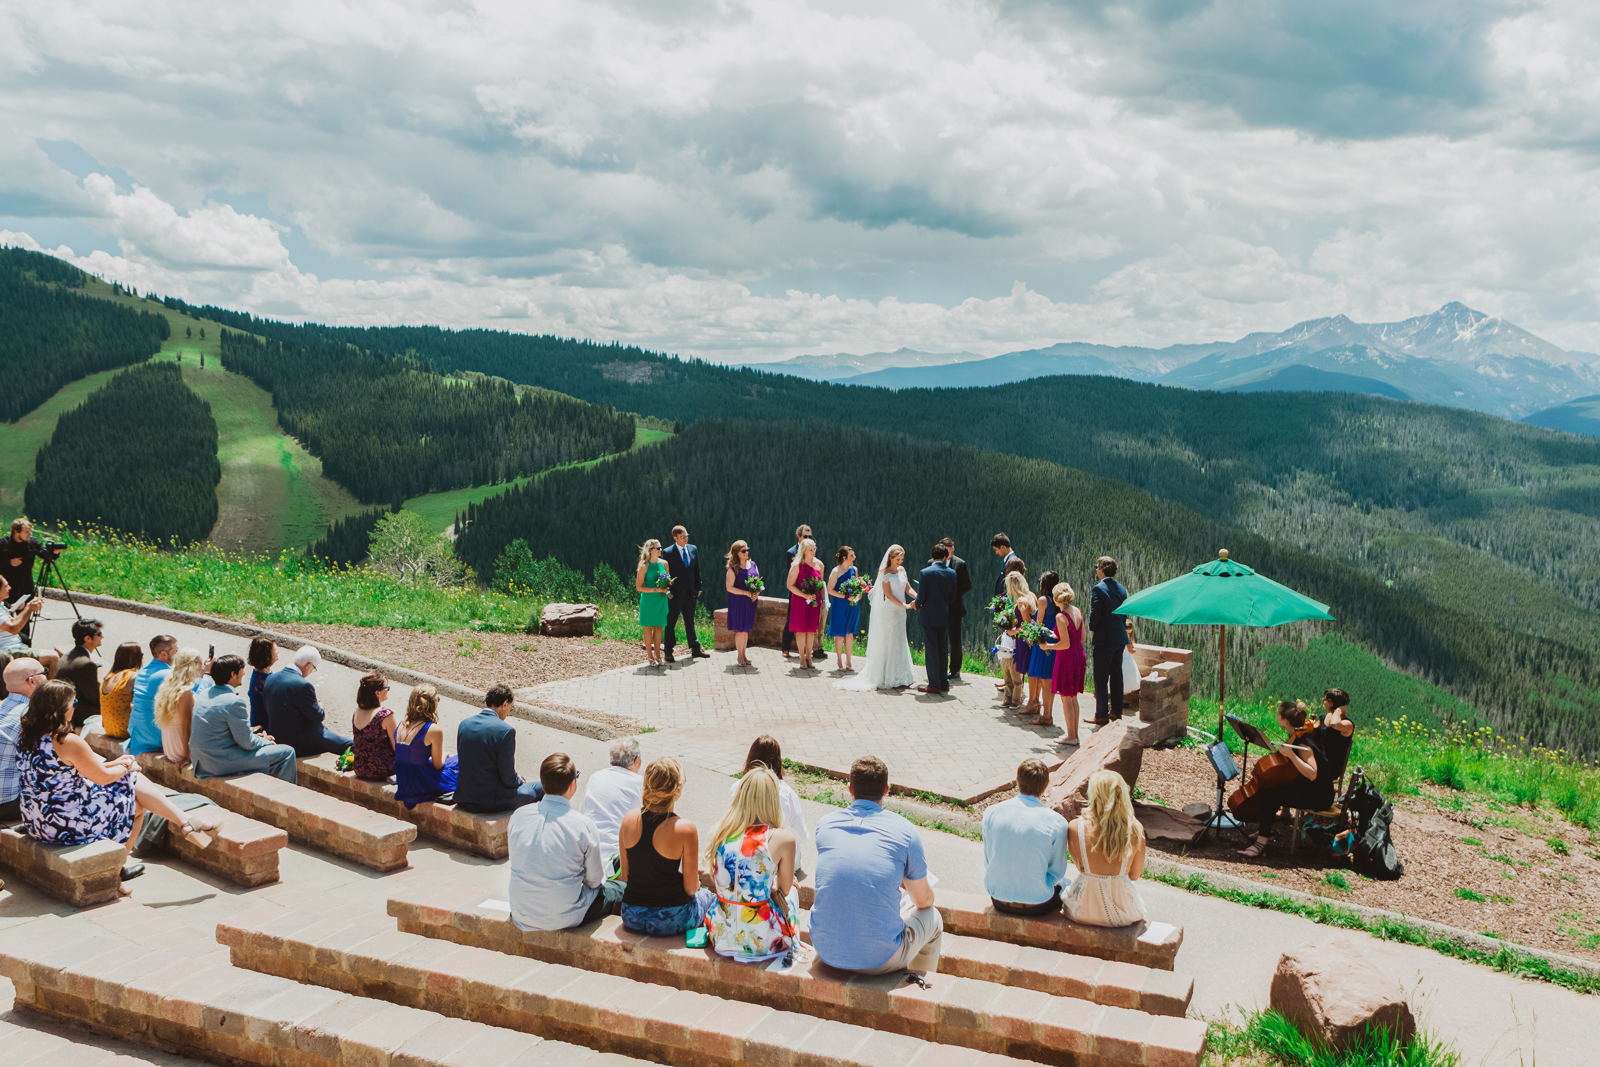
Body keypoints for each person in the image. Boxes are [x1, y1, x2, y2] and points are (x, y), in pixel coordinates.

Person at [18, 680, 220, 895]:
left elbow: (78, 769)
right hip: (66, 825)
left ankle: (184, 825)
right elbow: (102, 778)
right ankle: (119, 869)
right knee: (134, 790)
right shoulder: (66, 740)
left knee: (134, 795)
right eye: (73, 702)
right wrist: (127, 767)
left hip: (38, 820)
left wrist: (120, 763)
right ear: (60, 708)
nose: (74, 707)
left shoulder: (27, 736)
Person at [810, 756, 942, 974]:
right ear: (887, 789)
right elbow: (924, 900)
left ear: (850, 789)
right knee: (933, 917)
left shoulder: (825, 824)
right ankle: (919, 982)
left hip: (826, 950)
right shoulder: (905, 832)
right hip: (880, 960)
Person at [510, 752, 620, 931]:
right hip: (565, 916)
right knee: (618, 889)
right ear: (572, 784)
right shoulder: (583, 825)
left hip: (521, 912)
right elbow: (594, 881)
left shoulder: (519, 815)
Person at [704, 765, 799, 962]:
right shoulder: (782, 838)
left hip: (721, 937)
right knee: (795, 893)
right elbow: (785, 890)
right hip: (762, 941)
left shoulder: (720, 833)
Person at [618, 757, 716, 935]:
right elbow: (691, 888)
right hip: (672, 918)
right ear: (676, 792)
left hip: (632, 915)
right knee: (708, 896)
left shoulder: (628, 820)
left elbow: (625, 875)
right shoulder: (685, 828)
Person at [1236, 701, 1332, 860]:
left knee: (1269, 794)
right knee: (1273, 786)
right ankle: (1266, 829)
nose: (1277, 716)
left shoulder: (1304, 743)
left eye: (1278, 714)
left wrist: (1292, 755)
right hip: (1308, 787)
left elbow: (1312, 774)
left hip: (1319, 795)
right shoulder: (1295, 735)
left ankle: (1260, 845)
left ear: (1285, 721)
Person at [189, 655, 298, 783]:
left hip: (201, 761)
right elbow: (247, 743)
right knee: (286, 752)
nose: (244, 673)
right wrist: (266, 741)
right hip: (219, 763)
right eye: (242, 670)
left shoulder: (204, 694)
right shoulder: (234, 702)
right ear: (233, 674)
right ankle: (284, 797)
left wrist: (257, 738)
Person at [983, 757, 1069, 915]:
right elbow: (1057, 872)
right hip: (1037, 904)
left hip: (998, 899)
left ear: (1017, 780)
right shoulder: (1058, 822)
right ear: (1046, 786)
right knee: (1067, 883)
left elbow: (989, 859)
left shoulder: (991, 812)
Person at [1064, 770, 1148, 927]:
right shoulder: (1136, 829)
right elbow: (1135, 875)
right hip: (1124, 914)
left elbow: (1081, 867)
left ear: (1093, 795)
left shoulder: (1075, 827)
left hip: (1082, 911)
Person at [834, 545, 917, 692]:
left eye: (902, 559)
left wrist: (918, 597)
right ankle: (886, 675)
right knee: (889, 641)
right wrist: (905, 605)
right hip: (890, 611)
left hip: (901, 613)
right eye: (898, 559)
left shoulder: (902, 570)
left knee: (899, 640)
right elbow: (889, 595)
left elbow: (907, 588)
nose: (900, 562)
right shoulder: (884, 573)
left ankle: (900, 675)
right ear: (890, 558)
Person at [455, 683, 543, 812]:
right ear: (504, 704)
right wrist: (519, 781)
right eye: (510, 708)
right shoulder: (505, 731)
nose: (509, 713)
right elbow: (508, 778)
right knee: (542, 788)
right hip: (489, 800)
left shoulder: (464, 724)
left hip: (463, 795)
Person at [263, 646, 352, 757]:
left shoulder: (271, 678)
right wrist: (320, 706)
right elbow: (317, 717)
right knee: (350, 745)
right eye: (313, 668)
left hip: (277, 736)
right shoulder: (303, 685)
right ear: (308, 665)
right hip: (299, 742)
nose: (311, 671)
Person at [727, 734, 809, 850]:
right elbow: (800, 833)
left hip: (744, 851)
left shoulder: (737, 787)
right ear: (778, 761)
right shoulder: (786, 792)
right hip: (776, 854)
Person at [393, 685, 459, 808]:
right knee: (458, 761)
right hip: (420, 782)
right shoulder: (433, 729)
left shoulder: (401, 724)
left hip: (404, 781)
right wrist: (444, 755)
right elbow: (438, 765)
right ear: (432, 704)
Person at [578, 736, 643, 857]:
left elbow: (582, 814)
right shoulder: (640, 783)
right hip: (618, 857)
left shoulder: (595, 777)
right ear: (635, 760)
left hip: (587, 853)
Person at [0, 657, 47, 821]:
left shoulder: (2, 706)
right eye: (45, 672)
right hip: (7, 803)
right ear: (32, 681)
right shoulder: (31, 715)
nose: (48, 677)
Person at [1088, 556, 1130, 725]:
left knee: (1100, 676)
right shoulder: (1122, 589)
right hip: (1119, 637)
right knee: (1116, 674)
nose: (1096, 569)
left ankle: (1101, 714)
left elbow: (1095, 613)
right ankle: (1116, 711)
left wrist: (1092, 628)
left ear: (1102, 569)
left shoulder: (1099, 589)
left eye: (1097, 566)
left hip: (1104, 638)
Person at [662, 525, 709, 663]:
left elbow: (696, 569)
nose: (686, 538)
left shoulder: (693, 549)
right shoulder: (668, 552)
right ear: (675, 538)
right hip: (675, 594)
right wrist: (668, 591)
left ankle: (695, 648)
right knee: (670, 623)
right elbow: (665, 573)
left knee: (690, 621)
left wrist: (698, 588)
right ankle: (668, 652)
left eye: (686, 535)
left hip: (691, 593)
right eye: (682, 537)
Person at [915, 544, 957, 695]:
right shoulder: (952, 573)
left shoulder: (925, 573)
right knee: (943, 649)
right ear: (945, 557)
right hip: (944, 616)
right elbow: (952, 597)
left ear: (933, 556)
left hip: (929, 616)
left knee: (932, 650)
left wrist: (916, 604)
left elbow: (921, 596)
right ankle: (944, 682)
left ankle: (933, 684)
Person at [153, 648, 206, 767]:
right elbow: (186, 727)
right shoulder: (185, 691)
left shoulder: (168, 686)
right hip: (181, 750)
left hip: (169, 748)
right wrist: (187, 757)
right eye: (201, 663)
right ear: (192, 665)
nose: (203, 667)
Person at [1047, 584, 1085, 746]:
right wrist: (1054, 634)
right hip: (1079, 655)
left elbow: (1065, 645)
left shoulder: (1060, 616)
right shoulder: (1077, 611)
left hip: (1067, 657)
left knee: (1066, 698)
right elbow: (1081, 636)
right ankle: (1074, 735)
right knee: (1072, 697)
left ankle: (1070, 736)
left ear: (1056, 597)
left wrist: (1047, 646)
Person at [127, 635, 176, 756]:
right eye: (176, 651)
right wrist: (205, 677)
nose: (178, 656)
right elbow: (190, 698)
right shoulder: (168, 674)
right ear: (163, 654)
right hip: (155, 737)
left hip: (137, 734)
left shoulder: (142, 671)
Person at [55, 617, 105, 728]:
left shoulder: (67, 655)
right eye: (99, 634)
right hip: (76, 713)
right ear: (88, 638)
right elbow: (96, 698)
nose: (102, 637)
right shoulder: (86, 665)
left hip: (64, 705)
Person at [1025, 570, 1060, 721]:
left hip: (1044, 641)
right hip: (1054, 640)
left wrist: (1028, 632)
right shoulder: (1057, 600)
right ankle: (1045, 710)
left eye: (1041, 580)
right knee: (1048, 678)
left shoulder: (1043, 600)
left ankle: (1045, 714)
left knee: (1044, 677)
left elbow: (1038, 623)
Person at [0, 576, 54, 675]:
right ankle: (48, 690)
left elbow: (12, 621)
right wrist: (28, 609)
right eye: (6, 586)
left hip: (16, 646)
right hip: (9, 651)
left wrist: (20, 608)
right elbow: (13, 629)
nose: (10, 588)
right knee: (53, 657)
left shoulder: (1, 605)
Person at [0, 519, 60, 606]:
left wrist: (54, 553)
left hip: (26, 583)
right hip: (7, 585)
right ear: (16, 532)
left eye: (30, 531)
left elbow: (46, 557)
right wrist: (9, 562)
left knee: (25, 613)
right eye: (26, 532)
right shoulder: (3, 543)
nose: (29, 534)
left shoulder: (33, 543)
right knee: (7, 615)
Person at [351, 672, 398, 780]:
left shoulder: (356, 712)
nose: (388, 690)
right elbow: (396, 746)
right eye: (387, 687)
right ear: (377, 693)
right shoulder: (386, 715)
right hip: (382, 769)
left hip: (360, 768)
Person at [785, 538, 824, 670]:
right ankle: (802, 657)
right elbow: (789, 585)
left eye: (814, 549)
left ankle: (809, 657)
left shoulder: (820, 565)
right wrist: (804, 595)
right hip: (800, 601)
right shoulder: (796, 565)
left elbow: (821, 585)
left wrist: (823, 600)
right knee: (801, 630)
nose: (814, 551)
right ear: (804, 551)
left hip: (814, 601)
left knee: (811, 630)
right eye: (811, 549)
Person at [936, 538, 972, 681]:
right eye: (947, 551)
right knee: (939, 638)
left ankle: (955, 670)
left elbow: (968, 585)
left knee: (955, 640)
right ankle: (939, 667)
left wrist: (953, 592)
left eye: (952, 551)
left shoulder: (961, 564)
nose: (950, 554)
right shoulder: (932, 562)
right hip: (938, 607)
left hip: (955, 607)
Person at [723, 541, 760, 668]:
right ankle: (740, 656)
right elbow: (729, 588)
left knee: (746, 629)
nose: (746, 552)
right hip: (738, 601)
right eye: (743, 551)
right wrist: (745, 593)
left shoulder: (753, 564)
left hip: (750, 601)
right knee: (740, 629)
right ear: (736, 553)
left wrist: (756, 593)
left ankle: (744, 655)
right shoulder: (733, 568)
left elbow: (758, 582)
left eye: (747, 549)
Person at [997, 571, 1030, 709]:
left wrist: (1013, 631)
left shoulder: (1022, 601)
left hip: (1018, 639)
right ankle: (1008, 697)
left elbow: (1027, 623)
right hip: (1010, 637)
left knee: (1015, 670)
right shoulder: (1013, 599)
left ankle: (1016, 699)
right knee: (1007, 667)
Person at [98, 642, 143, 741]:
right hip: (125, 729)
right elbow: (141, 704)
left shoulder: (107, 677)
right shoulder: (132, 676)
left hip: (109, 728)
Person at [826, 546, 861, 672]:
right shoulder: (836, 571)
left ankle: (849, 660)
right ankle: (839, 659)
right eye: (852, 555)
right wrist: (845, 596)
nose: (854, 557)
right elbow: (830, 590)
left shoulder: (854, 570)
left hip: (852, 605)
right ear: (844, 557)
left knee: (849, 633)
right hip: (840, 604)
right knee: (840, 634)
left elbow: (857, 586)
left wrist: (859, 593)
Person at [781, 524, 813, 659]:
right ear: (798, 536)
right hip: (796, 591)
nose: (807, 538)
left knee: (810, 621)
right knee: (791, 619)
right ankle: (785, 647)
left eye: (809, 536)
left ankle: (810, 650)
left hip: (810, 590)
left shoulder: (814, 550)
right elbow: (792, 574)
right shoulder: (791, 552)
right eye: (805, 536)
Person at [636, 539, 669, 667]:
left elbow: (668, 580)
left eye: (661, 547)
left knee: (659, 627)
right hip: (648, 600)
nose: (660, 550)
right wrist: (656, 589)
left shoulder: (665, 563)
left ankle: (658, 656)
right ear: (650, 550)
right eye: (657, 548)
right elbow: (639, 587)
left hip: (661, 599)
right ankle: (649, 656)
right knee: (648, 627)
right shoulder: (644, 566)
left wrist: (667, 588)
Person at [1316, 688, 1356, 786]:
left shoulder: (1347, 724)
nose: (1323, 702)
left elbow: (1334, 724)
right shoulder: (1324, 717)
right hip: (1319, 759)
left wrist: (1338, 710)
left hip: (1330, 767)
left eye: (1324, 700)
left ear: (1331, 703)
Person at [246, 637, 277, 730]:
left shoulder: (257, 672)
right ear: (266, 655)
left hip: (256, 720)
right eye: (275, 650)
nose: (278, 651)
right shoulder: (265, 679)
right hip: (263, 725)